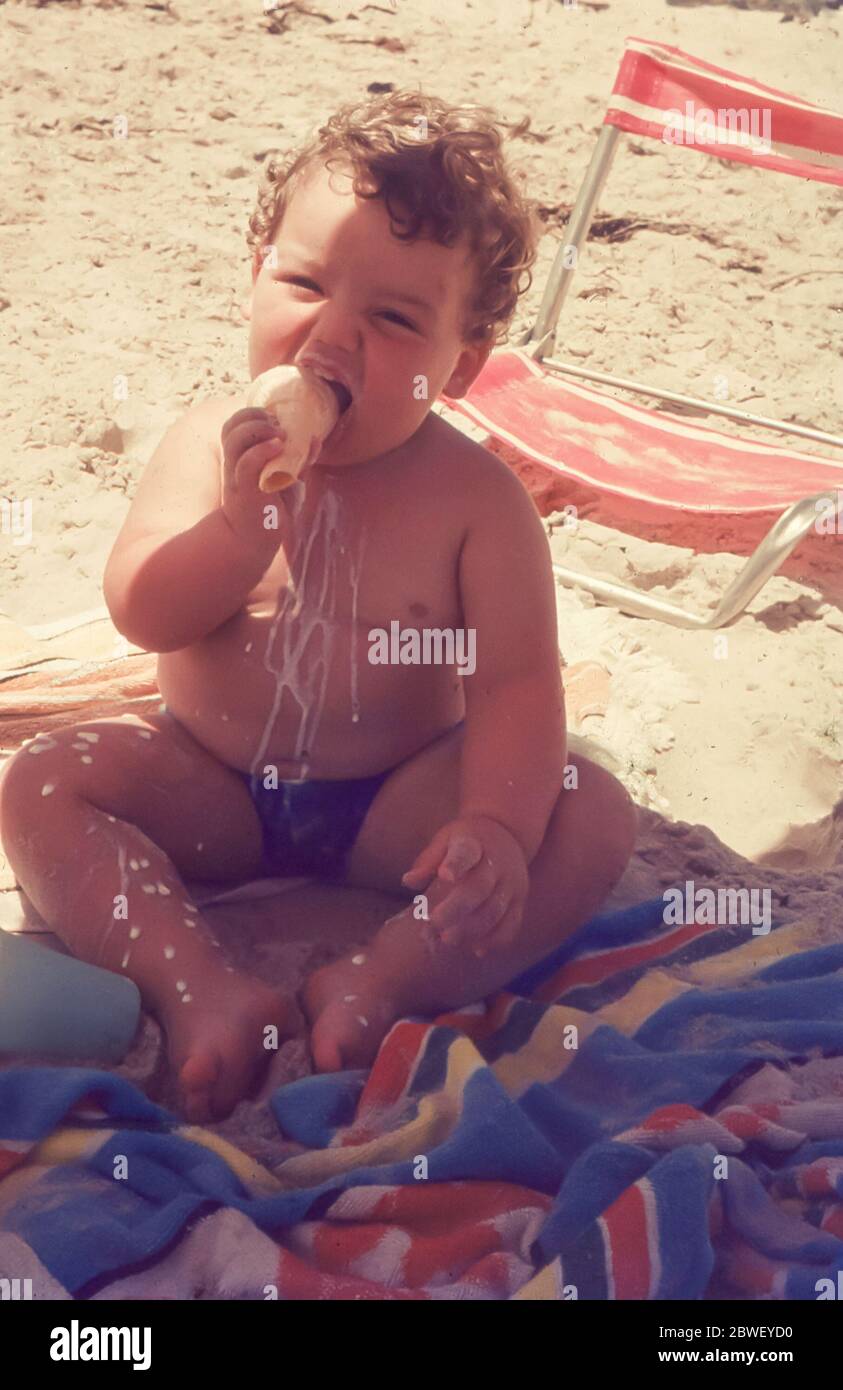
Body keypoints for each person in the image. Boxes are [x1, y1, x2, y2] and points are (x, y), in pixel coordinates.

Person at [0, 91, 636, 1123]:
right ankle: (199, 988)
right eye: (304, 283)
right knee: (40, 783)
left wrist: (494, 827)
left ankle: (382, 980)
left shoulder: (478, 501)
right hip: (211, 787)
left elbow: (519, 683)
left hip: (392, 812)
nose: (334, 335)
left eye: (392, 320)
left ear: (459, 366)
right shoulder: (210, 441)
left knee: (590, 807)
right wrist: (235, 539)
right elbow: (141, 613)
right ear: (256, 275)